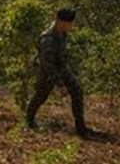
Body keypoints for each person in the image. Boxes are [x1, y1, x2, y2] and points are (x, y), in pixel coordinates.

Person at [25, 8, 89, 138]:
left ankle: (81, 128)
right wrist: (60, 85)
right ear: (59, 21)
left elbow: (60, 57)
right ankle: (29, 119)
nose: (70, 26)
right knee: (41, 96)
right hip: (46, 71)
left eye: (71, 23)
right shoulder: (47, 39)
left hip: (61, 67)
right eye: (68, 23)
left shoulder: (62, 32)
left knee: (77, 90)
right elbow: (49, 66)